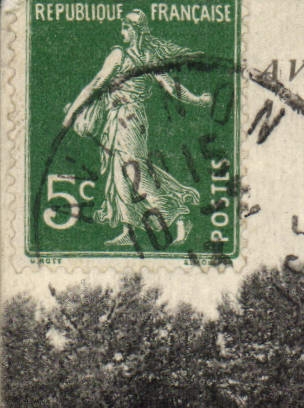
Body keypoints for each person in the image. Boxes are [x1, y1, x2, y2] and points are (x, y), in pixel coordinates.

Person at [60, 11, 211, 248]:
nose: (122, 33)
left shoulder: (122, 55)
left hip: (128, 120)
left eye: (125, 28)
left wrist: (71, 113)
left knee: (133, 172)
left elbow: (96, 85)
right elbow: (172, 88)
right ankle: (128, 230)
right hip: (120, 119)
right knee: (119, 174)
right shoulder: (142, 56)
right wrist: (197, 99)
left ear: (134, 30)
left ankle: (178, 213)